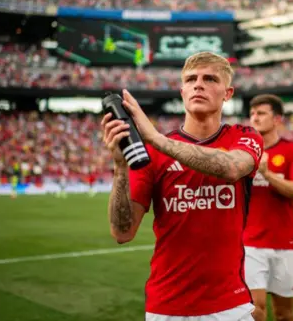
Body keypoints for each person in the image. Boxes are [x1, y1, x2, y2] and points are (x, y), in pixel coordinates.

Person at [101, 52, 263, 321]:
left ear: (228, 93)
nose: (199, 84)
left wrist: (154, 138)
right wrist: (120, 168)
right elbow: (122, 231)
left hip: (230, 306)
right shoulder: (152, 154)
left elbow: (231, 168)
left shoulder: (244, 136)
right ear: (182, 91)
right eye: (191, 79)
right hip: (166, 307)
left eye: (210, 79)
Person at [245, 94, 293, 321]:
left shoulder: (292, 150)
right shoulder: (242, 154)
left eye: (261, 113)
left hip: (285, 242)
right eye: (252, 114)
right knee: (255, 309)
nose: (255, 118)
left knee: (284, 314)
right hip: (249, 242)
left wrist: (267, 174)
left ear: (277, 119)